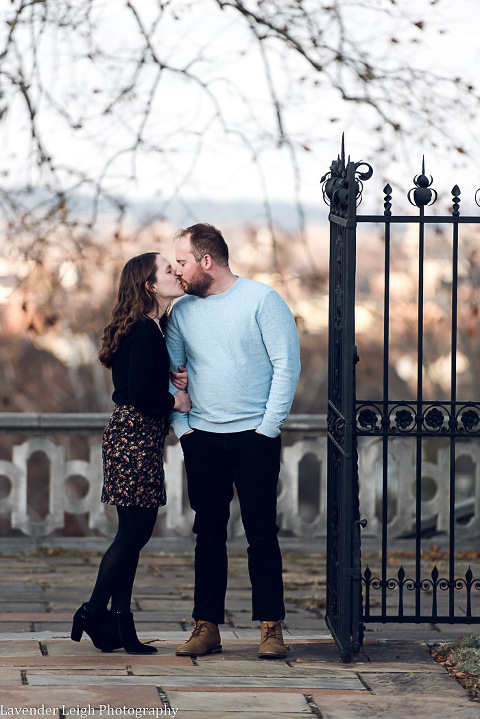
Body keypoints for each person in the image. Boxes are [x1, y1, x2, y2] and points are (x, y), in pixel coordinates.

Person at [166, 223, 300, 659]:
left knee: (261, 533)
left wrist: (268, 428)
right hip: (202, 437)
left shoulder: (262, 300)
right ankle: (207, 627)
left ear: (207, 261)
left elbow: (286, 365)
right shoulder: (182, 313)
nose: (177, 271)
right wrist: (184, 430)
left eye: (182, 262)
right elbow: (171, 375)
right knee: (208, 533)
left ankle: (271, 628)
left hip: (254, 438)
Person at [71, 252, 191, 655]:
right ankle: (91, 611)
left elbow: (141, 380)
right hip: (133, 438)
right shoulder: (142, 330)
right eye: (167, 268)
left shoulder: (153, 327)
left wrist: (171, 376)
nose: (176, 271)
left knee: (134, 535)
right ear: (150, 285)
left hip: (136, 438)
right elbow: (138, 394)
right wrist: (175, 400)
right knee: (133, 534)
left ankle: (121, 627)